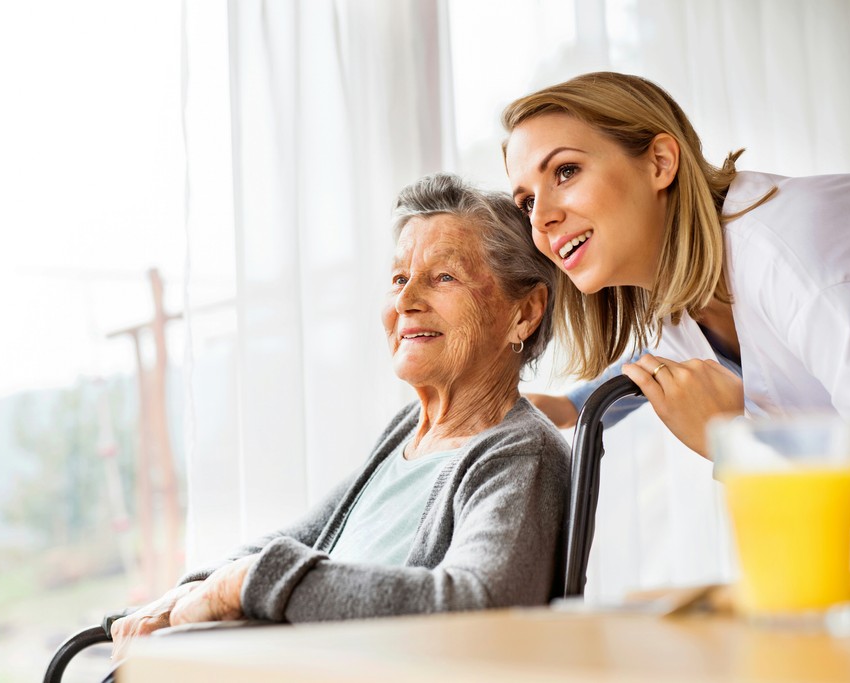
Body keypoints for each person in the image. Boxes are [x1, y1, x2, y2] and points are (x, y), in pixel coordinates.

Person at [109, 173, 569, 661]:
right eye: (398, 279)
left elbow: (479, 609)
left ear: (524, 313)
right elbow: (299, 537)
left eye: (443, 277)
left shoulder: (520, 454)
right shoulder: (407, 434)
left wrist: (243, 585)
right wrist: (193, 588)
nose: (405, 302)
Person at [502, 71, 850, 552]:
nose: (540, 218)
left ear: (660, 162)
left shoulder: (801, 264)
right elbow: (663, 357)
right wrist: (570, 407)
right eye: (527, 201)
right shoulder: (688, 286)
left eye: (566, 171)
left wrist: (738, 446)